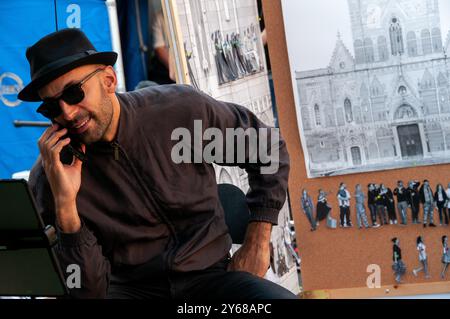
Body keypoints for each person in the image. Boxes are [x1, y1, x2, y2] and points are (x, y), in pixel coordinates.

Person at [18, 29, 296, 299]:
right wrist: (66, 207)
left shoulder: (177, 117)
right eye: (52, 107)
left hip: (211, 280)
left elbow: (266, 149)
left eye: (74, 93)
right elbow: (85, 290)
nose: (66, 112)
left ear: (108, 80)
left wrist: (257, 243)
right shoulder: (51, 176)